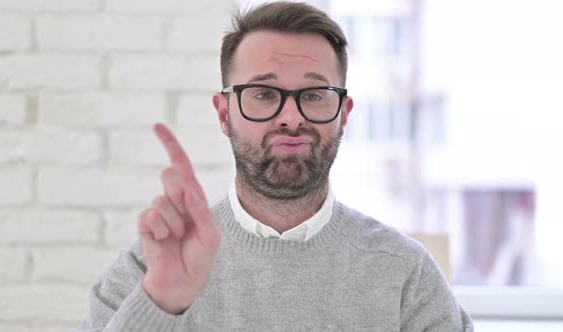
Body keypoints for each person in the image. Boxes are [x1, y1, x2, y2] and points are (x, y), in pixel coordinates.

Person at [78, 2, 474, 331]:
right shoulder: (149, 271)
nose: (290, 117)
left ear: (344, 113)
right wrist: (160, 305)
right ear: (223, 112)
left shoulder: (405, 272)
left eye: (315, 94)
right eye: (264, 93)